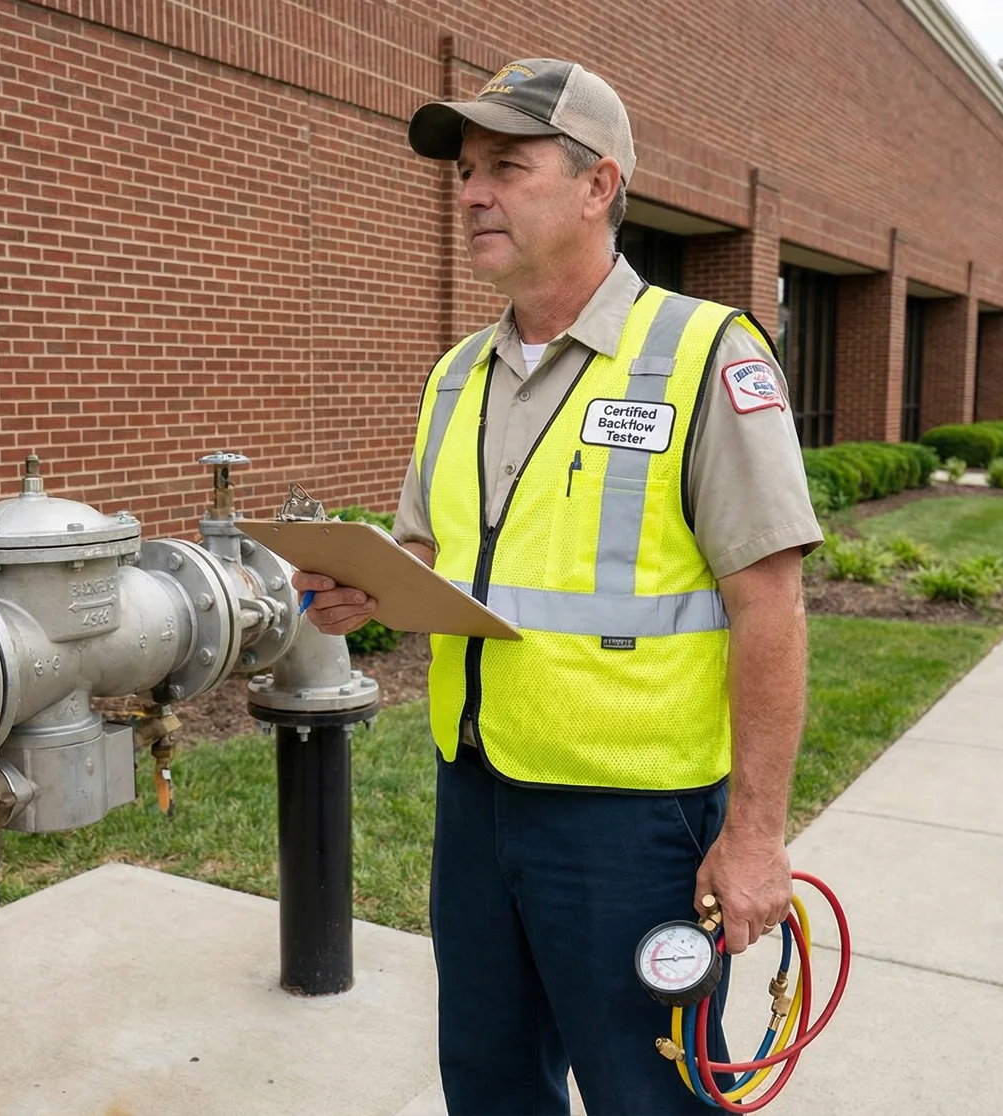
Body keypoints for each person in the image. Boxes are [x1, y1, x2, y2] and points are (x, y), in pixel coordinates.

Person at [293, 58, 822, 1115]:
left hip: (631, 825)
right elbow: (434, 563)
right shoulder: (455, 375)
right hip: (475, 796)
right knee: (487, 1082)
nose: (473, 191)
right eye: (464, 172)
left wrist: (755, 835)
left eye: (507, 166)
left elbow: (770, 604)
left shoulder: (698, 354)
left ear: (596, 186)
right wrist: (363, 593)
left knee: (646, 1093)